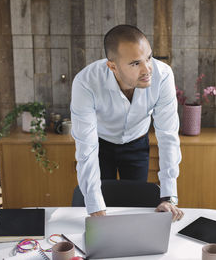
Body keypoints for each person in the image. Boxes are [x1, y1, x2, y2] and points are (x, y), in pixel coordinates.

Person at [70, 25, 183, 221]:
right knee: (101, 206)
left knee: (134, 207)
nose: (147, 69)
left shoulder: (162, 75)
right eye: (135, 63)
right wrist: (95, 205)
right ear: (112, 66)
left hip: (137, 143)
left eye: (148, 57)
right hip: (100, 145)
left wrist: (169, 197)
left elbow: (168, 136)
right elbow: (86, 148)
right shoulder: (85, 82)